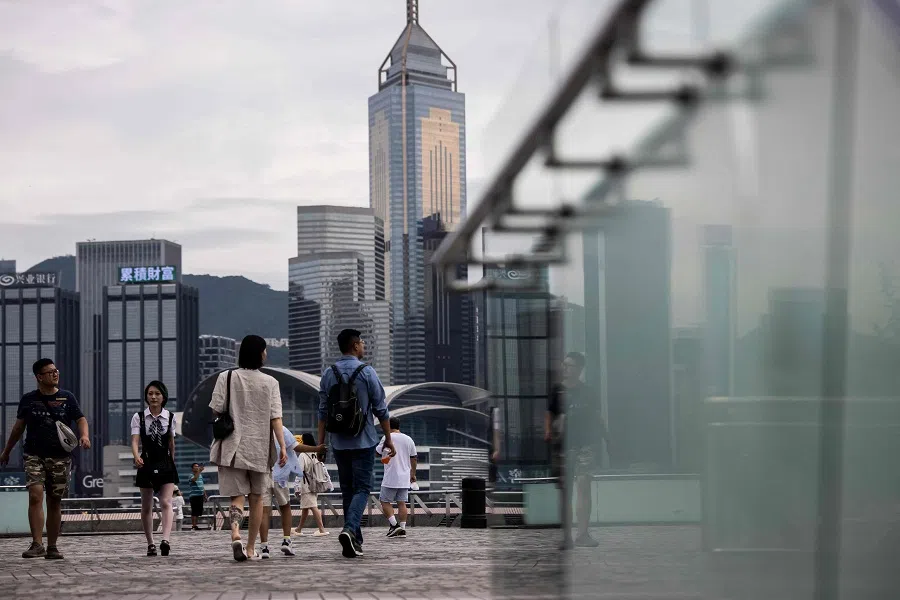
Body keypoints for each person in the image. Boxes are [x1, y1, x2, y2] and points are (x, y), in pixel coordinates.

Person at [0, 358, 90, 560]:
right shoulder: (28, 399)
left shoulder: (67, 398)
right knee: (35, 494)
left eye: (56, 370)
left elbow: (81, 419)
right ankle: (36, 543)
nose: (55, 374)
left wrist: (84, 436)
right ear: (39, 377)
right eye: (50, 372)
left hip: (60, 457)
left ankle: (52, 546)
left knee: (55, 501)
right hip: (33, 454)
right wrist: (6, 451)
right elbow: (18, 428)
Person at [210, 335, 288, 562]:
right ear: (261, 353)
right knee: (257, 499)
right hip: (259, 448)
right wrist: (282, 446)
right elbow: (276, 419)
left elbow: (216, 410)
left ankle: (235, 533)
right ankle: (252, 547)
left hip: (233, 447)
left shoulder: (227, 377)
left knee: (237, 497)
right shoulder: (271, 382)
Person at [318, 328, 394, 559]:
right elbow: (381, 409)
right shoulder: (367, 372)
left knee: (348, 490)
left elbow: (322, 411)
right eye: (361, 342)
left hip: (339, 441)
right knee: (362, 488)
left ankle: (355, 542)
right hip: (363, 440)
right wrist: (389, 439)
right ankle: (350, 530)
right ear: (354, 346)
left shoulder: (328, 374)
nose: (363, 346)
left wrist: (321, 444)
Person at [546, 352, 609, 549]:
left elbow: (598, 418)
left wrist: (607, 439)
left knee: (583, 486)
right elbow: (549, 417)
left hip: (586, 445)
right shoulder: (556, 391)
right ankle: (566, 536)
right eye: (564, 365)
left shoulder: (589, 392)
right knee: (566, 491)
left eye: (570, 365)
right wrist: (551, 432)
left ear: (580, 368)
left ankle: (582, 534)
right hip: (564, 446)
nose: (565, 368)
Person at [258, 425, 323, 558]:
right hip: (280, 476)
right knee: (285, 507)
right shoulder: (281, 429)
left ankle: (264, 547)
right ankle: (286, 540)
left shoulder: (257, 427)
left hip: (262, 475)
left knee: (264, 511)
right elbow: (296, 447)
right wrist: (316, 448)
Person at [132, 380, 178, 556]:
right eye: (150, 393)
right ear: (146, 396)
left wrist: (171, 463)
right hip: (146, 462)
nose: (153, 397)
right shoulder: (139, 417)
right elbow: (135, 440)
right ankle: (150, 543)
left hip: (165, 462)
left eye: (157, 393)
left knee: (166, 502)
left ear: (163, 396)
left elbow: (171, 443)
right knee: (146, 505)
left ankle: (165, 540)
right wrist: (136, 456)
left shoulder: (171, 417)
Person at [376, 417, 417, 538]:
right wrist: (413, 474)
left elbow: (377, 452)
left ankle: (394, 526)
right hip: (405, 477)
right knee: (402, 503)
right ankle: (402, 529)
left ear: (388, 426)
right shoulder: (409, 439)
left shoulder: (387, 437)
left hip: (391, 476)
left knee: (384, 501)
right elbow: (414, 458)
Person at [294, 433, 329, 537]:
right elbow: (323, 467)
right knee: (306, 507)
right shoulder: (316, 452)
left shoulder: (303, 454)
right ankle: (298, 529)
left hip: (306, 485)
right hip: (315, 483)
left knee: (313, 506)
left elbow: (300, 471)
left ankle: (322, 529)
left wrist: (297, 486)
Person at [188, 463, 207, 530]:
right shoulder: (191, 475)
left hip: (200, 495)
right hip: (194, 496)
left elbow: (202, 485)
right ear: (192, 468)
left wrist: (205, 494)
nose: (197, 467)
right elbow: (194, 479)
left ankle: (196, 525)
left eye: (198, 466)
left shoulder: (200, 475)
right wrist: (199, 471)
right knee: (194, 511)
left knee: (199, 511)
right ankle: (193, 526)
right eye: (195, 466)